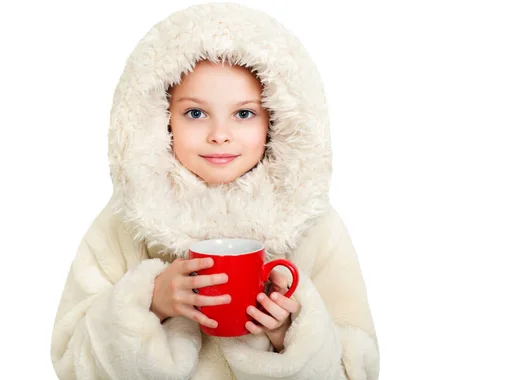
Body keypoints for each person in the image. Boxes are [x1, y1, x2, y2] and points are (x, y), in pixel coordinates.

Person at [50, 2, 379, 379]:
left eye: (244, 114)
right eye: (195, 113)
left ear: (277, 119)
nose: (219, 134)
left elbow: (359, 367)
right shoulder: (122, 224)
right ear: (161, 118)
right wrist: (148, 303)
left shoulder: (316, 227)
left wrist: (286, 334)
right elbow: (71, 362)